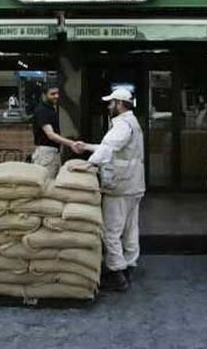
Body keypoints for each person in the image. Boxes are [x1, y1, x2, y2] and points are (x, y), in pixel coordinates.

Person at [70, 88, 145, 292]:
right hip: (134, 185)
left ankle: (116, 274)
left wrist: (89, 164)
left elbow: (109, 148)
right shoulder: (132, 122)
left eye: (111, 103)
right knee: (130, 229)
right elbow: (112, 146)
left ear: (120, 104)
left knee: (111, 231)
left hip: (120, 185)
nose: (109, 106)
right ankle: (129, 265)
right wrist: (86, 146)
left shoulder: (122, 125)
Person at [31, 84, 82, 178]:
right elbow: (50, 135)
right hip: (46, 154)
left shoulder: (50, 109)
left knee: (53, 182)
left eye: (57, 93)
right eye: (52, 94)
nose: (56, 96)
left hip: (53, 153)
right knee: (46, 182)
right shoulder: (42, 110)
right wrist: (71, 143)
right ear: (44, 95)